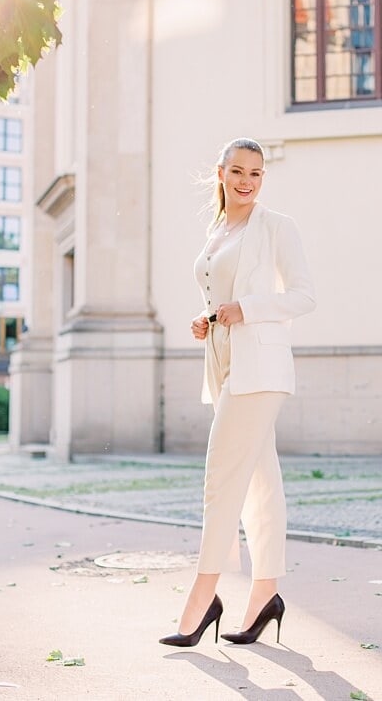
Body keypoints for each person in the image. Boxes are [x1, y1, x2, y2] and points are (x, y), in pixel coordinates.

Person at [159, 137, 315, 648]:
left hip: (261, 370)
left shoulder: (276, 227)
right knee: (260, 484)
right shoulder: (218, 230)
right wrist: (209, 320)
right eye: (238, 171)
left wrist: (245, 308)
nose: (247, 181)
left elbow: (302, 296)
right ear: (220, 173)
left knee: (220, 478)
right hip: (228, 365)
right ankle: (264, 595)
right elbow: (217, 297)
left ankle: (203, 598)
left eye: (256, 173)